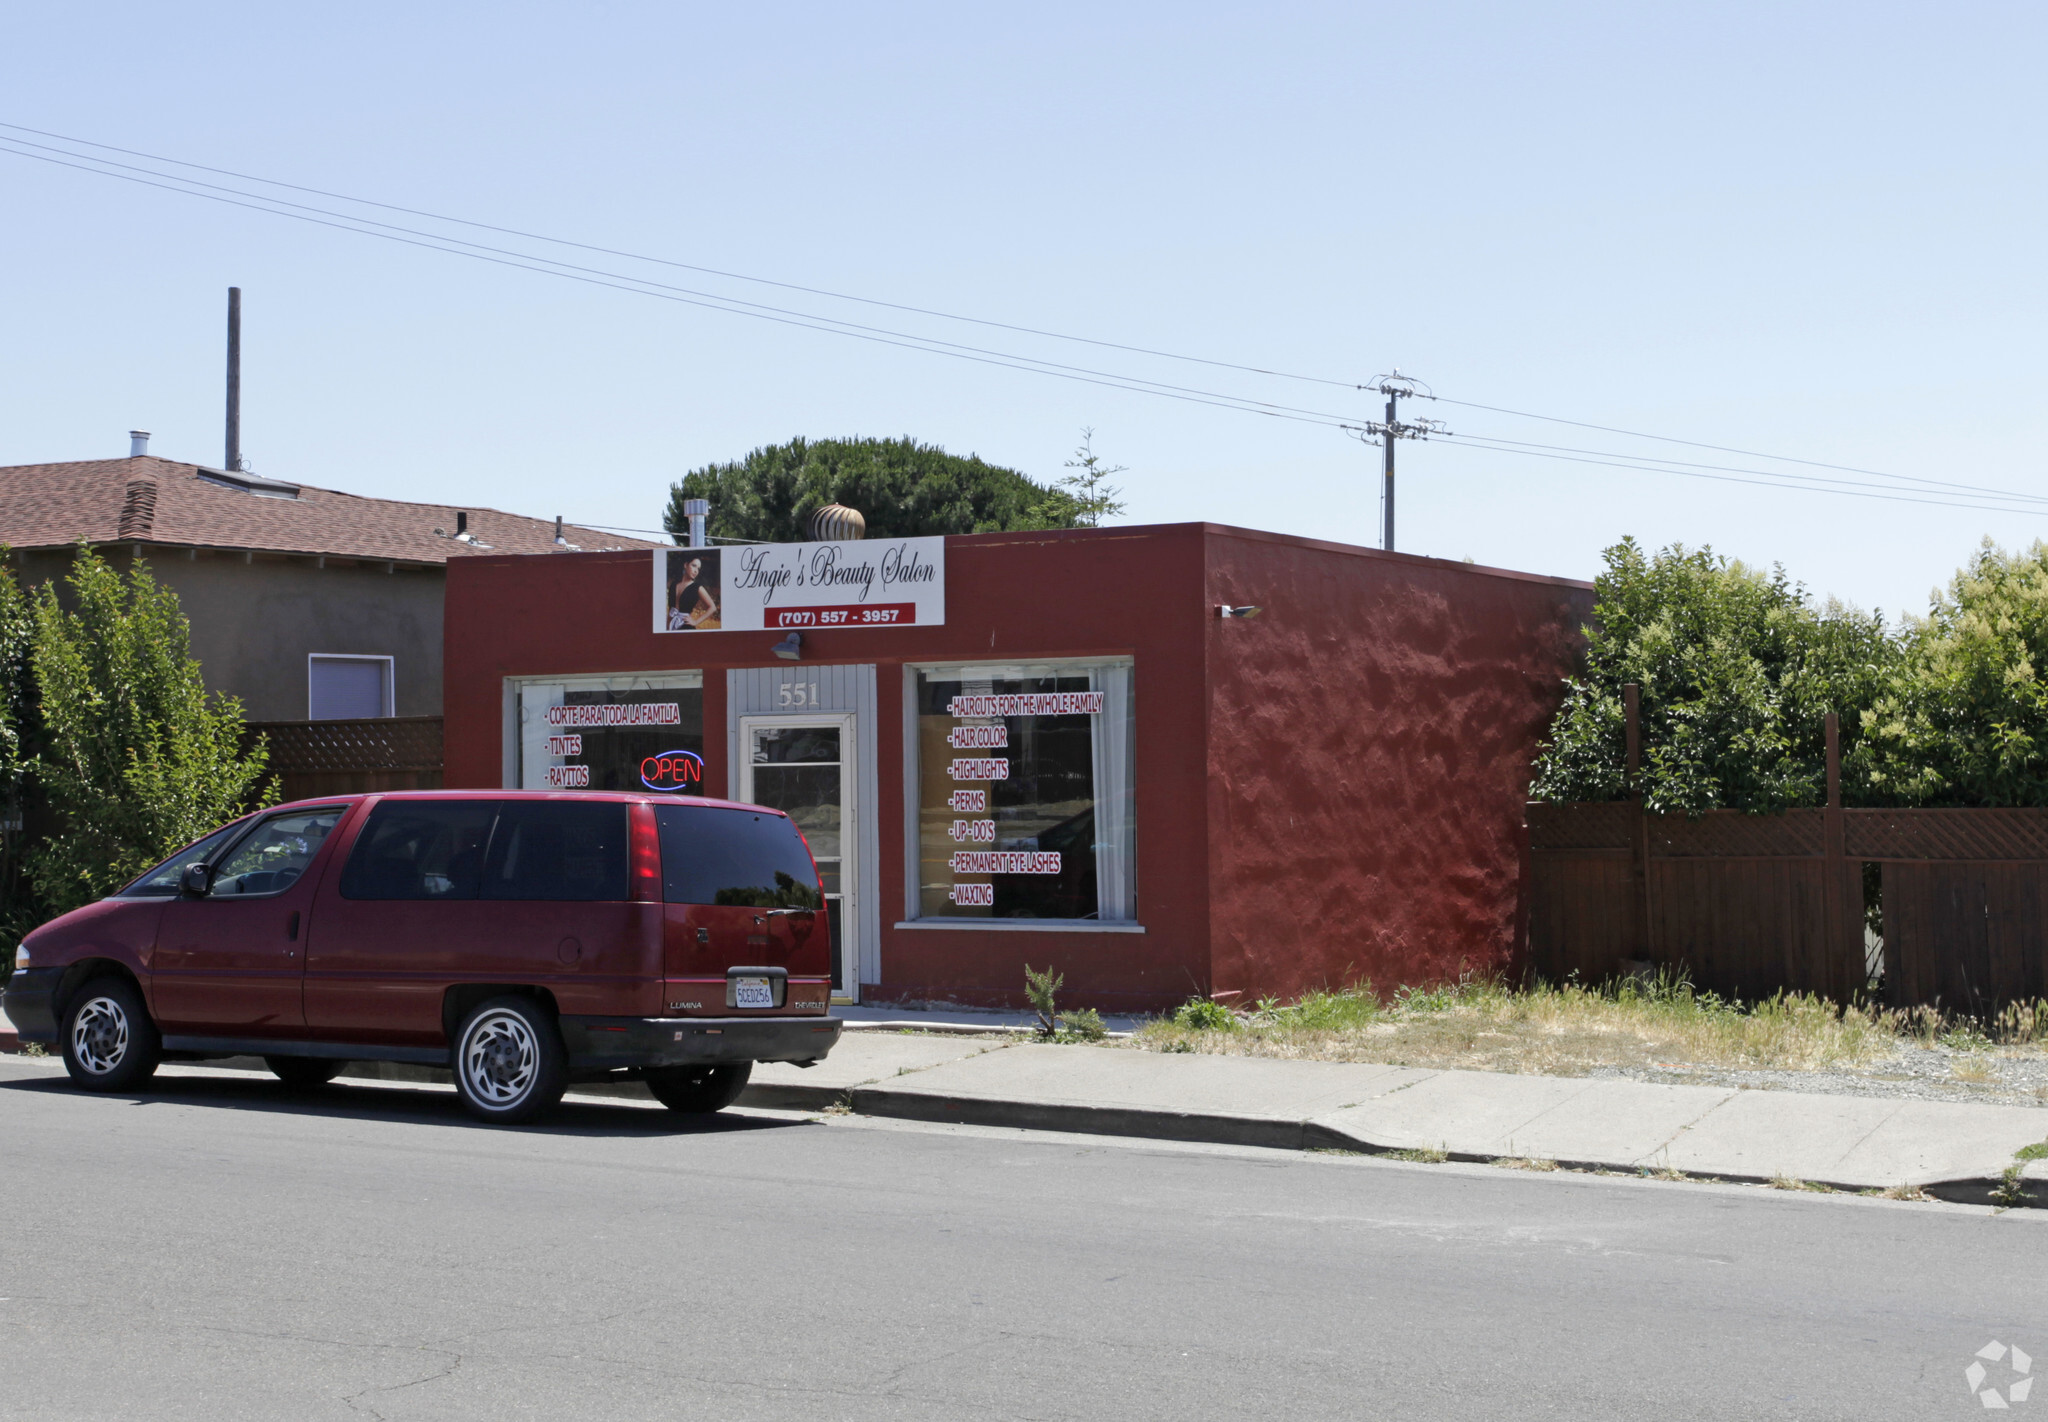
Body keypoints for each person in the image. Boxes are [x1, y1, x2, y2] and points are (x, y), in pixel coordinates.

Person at [669, 554, 720, 630]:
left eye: (698, 568)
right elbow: (670, 611)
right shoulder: (674, 585)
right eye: (694, 566)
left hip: (686, 627)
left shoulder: (697, 587)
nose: (696, 571)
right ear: (686, 565)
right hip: (672, 626)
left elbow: (712, 607)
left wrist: (696, 622)